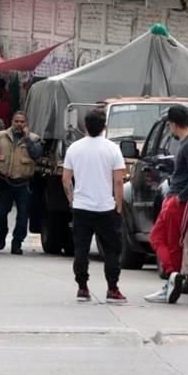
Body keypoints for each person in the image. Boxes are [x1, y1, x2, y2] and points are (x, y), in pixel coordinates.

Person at [62, 108, 127, 304]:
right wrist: (119, 205)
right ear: (104, 126)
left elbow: (66, 179)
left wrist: (72, 199)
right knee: (112, 250)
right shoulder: (112, 148)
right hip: (105, 207)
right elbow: (118, 181)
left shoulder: (74, 148)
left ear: (85, 126)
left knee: (81, 248)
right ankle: (112, 288)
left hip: (81, 207)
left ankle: (82, 287)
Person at [145, 105, 188, 304]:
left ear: (172, 124)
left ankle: (172, 280)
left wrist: (181, 197)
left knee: (173, 243)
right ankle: (172, 276)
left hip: (180, 200)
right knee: (156, 238)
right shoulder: (187, 142)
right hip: (173, 197)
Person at [0, 111, 42, 255]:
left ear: (26, 124)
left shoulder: (34, 139)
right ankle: (2, 233)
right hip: (5, 182)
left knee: (22, 216)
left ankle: (17, 243)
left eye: (22, 122)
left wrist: (27, 139)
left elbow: (36, 154)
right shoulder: (1, 137)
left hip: (23, 184)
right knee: (1, 213)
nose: (19, 124)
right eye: (16, 121)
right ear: (12, 122)